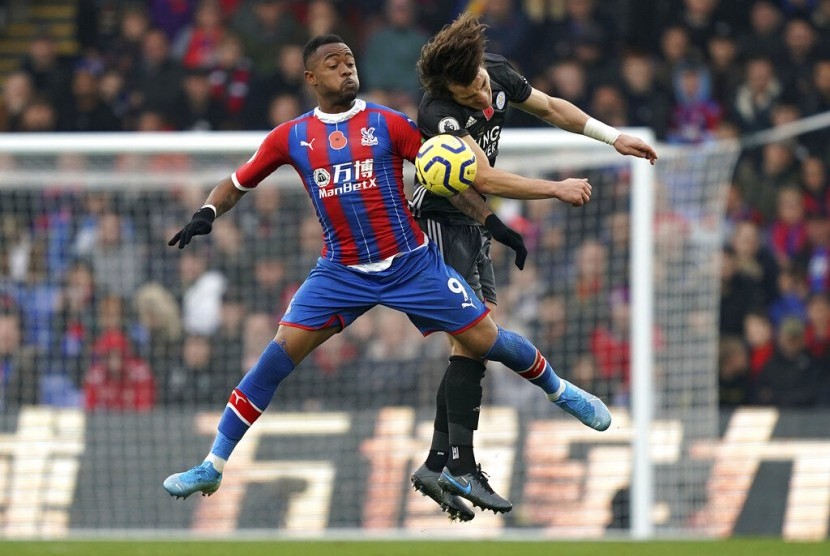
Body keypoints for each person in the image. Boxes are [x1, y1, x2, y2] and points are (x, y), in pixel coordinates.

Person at [162, 34, 611, 518]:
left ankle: (561, 391)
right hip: (341, 271)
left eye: (350, 61)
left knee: (486, 340)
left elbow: (451, 178)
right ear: (311, 78)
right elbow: (235, 183)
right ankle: (213, 462)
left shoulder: (388, 123)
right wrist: (208, 210)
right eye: (334, 64)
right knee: (276, 357)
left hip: (411, 262)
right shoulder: (289, 137)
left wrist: (493, 222)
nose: (347, 70)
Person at [408, 12, 658, 521]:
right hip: (438, 223)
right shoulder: (437, 112)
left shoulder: (494, 71)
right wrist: (555, 188)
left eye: (480, 81)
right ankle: (464, 459)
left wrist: (613, 137)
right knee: (475, 336)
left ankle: (440, 463)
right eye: (468, 91)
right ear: (446, 90)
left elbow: (550, 108)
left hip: (475, 226)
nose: (481, 95)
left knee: (472, 345)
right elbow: (482, 176)